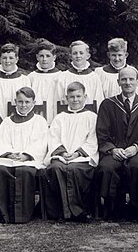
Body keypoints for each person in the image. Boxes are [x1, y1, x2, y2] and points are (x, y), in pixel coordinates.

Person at [96, 66, 138, 220]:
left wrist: (136, 147)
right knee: (107, 167)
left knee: (136, 166)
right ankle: (114, 209)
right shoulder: (108, 104)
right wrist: (112, 150)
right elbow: (102, 133)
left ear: (137, 81)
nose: (127, 82)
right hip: (115, 150)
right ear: (118, 82)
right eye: (124, 79)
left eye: (131, 79)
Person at [0, 87, 48, 223]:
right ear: (15, 102)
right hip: (9, 159)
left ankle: (22, 215)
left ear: (33, 103)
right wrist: (9, 154)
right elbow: (0, 142)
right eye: (20, 102)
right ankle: (3, 213)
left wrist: (27, 155)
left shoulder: (40, 121)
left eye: (27, 102)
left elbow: (41, 143)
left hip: (29, 160)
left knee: (24, 171)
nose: (23, 105)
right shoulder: (7, 122)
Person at [42, 82, 99, 222]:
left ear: (85, 97)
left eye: (78, 96)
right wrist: (62, 153)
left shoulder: (92, 117)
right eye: (72, 97)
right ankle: (61, 211)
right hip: (61, 156)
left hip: (82, 158)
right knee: (55, 168)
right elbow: (53, 138)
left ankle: (77, 211)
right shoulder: (60, 117)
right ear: (66, 98)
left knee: (74, 169)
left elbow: (93, 140)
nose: (75, 100)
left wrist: (77, 154)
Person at [57, 41, 104, 111]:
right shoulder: (64, 76)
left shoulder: (94, 77)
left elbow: (98, 100)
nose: (78, 56)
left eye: (81, 53)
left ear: (88, 56)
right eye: (75, 53)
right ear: (70, 56)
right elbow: (60, 100)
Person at [0, 43, 31, 120]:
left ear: (16, 59)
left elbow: (27, 101)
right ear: (0, 59)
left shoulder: (24, 80)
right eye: (4, 58)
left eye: (11, 58)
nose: (7, 61)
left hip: (19, 119)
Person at [27, 40, 62, 124]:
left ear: (54, 57)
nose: (44, 59)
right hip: (37, 117)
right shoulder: (32, 77)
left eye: (48, 56)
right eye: (41, 56)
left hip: (55, 115)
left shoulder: (61, 76)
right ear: (37, 57)